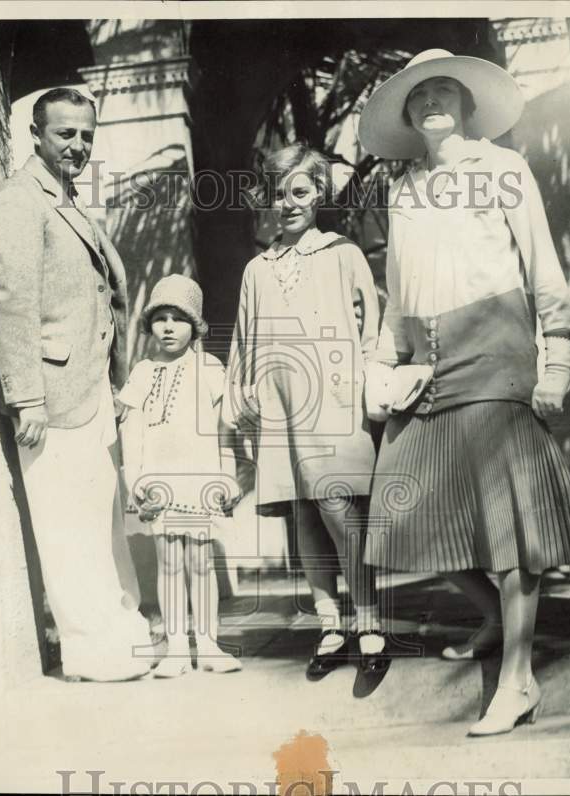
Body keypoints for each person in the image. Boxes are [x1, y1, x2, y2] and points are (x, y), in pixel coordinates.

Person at [358, 49, 570, 734]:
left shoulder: (504, 168)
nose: (432, 100)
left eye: (445, 89)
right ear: (407, 114)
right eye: (418, 93)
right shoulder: (401, 189)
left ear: (467, 105)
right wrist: (384, 364)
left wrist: (554, 367)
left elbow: (546, 275)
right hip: (427, 363)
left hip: (497, 351)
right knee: (402, 513)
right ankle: (493, 615)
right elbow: (397, 298)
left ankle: (518, 679)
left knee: (510, 525)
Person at [0, 87, 150, 682]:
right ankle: (91, 650)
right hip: (52, 396)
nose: (78, 145)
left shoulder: (68, 200)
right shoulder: (20, 200)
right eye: (65, 134)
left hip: (93, 389)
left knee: (101, 516)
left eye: (86, 134)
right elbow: (11, 303)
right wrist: (25, 396)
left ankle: (123, 629)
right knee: (65, 525)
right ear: (36, 134)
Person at [225, 144, 389, 690]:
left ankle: (368, 619)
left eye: (300, 191)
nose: (288, 202)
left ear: (320, 193)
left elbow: (371, 328)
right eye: (278, 193)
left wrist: (368, 383)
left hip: (336, 399)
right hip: (280, 403)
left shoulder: (343, 253)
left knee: (339, 505)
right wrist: (243, 395)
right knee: (305, 515)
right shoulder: (256, 269)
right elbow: (245, 343)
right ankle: (329, 624)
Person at [119, 274, 243, 678]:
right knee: (168, 563)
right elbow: (130, 432)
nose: (169, 327)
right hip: (158, 485)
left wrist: (228, 476)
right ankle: (175, 647)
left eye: (179, 318)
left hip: (199, 481)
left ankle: (207, 644)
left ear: (196, 325)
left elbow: (225, 430)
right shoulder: (141, 374)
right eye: (161, 318)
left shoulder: (209, 368)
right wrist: (136, 481)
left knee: (200, 562)